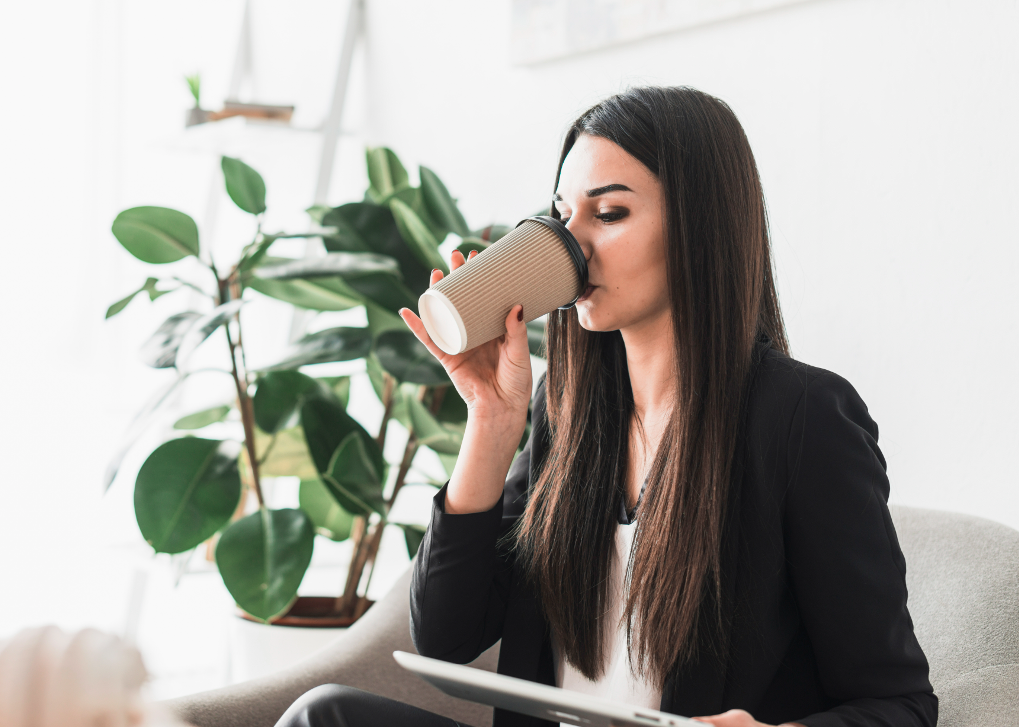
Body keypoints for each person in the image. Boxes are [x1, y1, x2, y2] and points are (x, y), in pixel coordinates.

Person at [274, 86, 937, 727]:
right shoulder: (568, 415)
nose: (573, 246)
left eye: (609, 213)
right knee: (324, 714)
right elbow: (446, 635)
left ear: (701, 226)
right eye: (562, 217)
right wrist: (490, 420)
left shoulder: (803, 419)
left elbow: (900, 705)